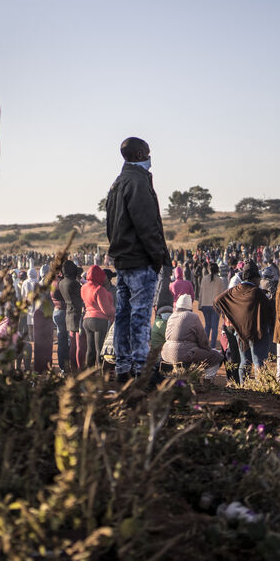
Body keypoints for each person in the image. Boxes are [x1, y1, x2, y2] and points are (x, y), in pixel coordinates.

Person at [105, 136, 171, 382]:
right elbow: (147, 225)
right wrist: (158, 257)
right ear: (140, 153)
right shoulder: (138, 182)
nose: (150, 156)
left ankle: (123, 369)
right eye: (148, 151)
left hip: (122, 258)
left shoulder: (118, 183)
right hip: (140, 258)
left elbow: (110, 225)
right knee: (140, 316)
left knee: (123, 315)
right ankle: (143, 371)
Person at [214, 262, 275, 385]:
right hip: (258, 333)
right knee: (258, 363)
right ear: (254, 278)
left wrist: (232, 316)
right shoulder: (256, 292)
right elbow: (269, 311)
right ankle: (260, 391)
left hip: (241, 334)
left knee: (244, 362)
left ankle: (243, 387)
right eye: (258, 278)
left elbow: (217, 301)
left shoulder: (234, 290)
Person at [161, 294, 223, 381]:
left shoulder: (172, 316)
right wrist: (208, 349)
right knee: (217, 356)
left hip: (166, 353)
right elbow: (203, 340)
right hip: (184, 354)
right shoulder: (193, 316)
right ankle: (207, 379)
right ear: (189, 306)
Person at [80, 264, 114, 370]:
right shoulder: (100, 289)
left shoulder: (84, 287)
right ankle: (100, 373)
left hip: (86, 319)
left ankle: (89, 372)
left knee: (90, 349)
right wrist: (114, 313)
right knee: (100, 348)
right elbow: (106, 309)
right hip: (99, 321)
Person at [58, 260, 83, 370]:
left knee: (72, 343)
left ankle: (72, 368)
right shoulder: (74, 283)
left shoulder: (62, 282)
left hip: (68, 312)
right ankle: (77, 367)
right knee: (78, 345)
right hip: (76, 313)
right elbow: (81, 298)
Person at [198, 262, 224, 348]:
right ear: (217, 270)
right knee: (214, 327)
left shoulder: (204, 279)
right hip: (215, 305)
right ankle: (212, 346)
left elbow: (200, 293)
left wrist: (199, 305)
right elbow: (222, 295)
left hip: (205, 304)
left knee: (207, 326)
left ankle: (205, 345)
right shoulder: (220, 280)